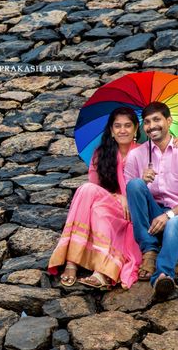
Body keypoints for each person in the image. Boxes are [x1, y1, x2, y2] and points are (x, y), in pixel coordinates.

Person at [47, 107, 145, 290]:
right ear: (111, 130)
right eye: (117, 126)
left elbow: (152, 188)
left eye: (127, 126)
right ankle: (72, 262)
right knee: (90, 194)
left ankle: (99, 270)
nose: (122, 130)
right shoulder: (101, 154)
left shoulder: (144, 153)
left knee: (97, 206)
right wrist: (117, 196)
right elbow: (95, 190)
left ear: (135, 129)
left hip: (133, 212)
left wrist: (127, 197)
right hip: (107, 205)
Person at [123, 101, 178, 301]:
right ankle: (149, 249)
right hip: (152, 214)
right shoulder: (136, 155)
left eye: (157, 119)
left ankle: (162, 275)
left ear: (169, 121)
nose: (152, 126)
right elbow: (130, 193)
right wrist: (143, 180)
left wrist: (168, 215)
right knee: (134, 184)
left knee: (174, 223)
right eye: (147, 122)